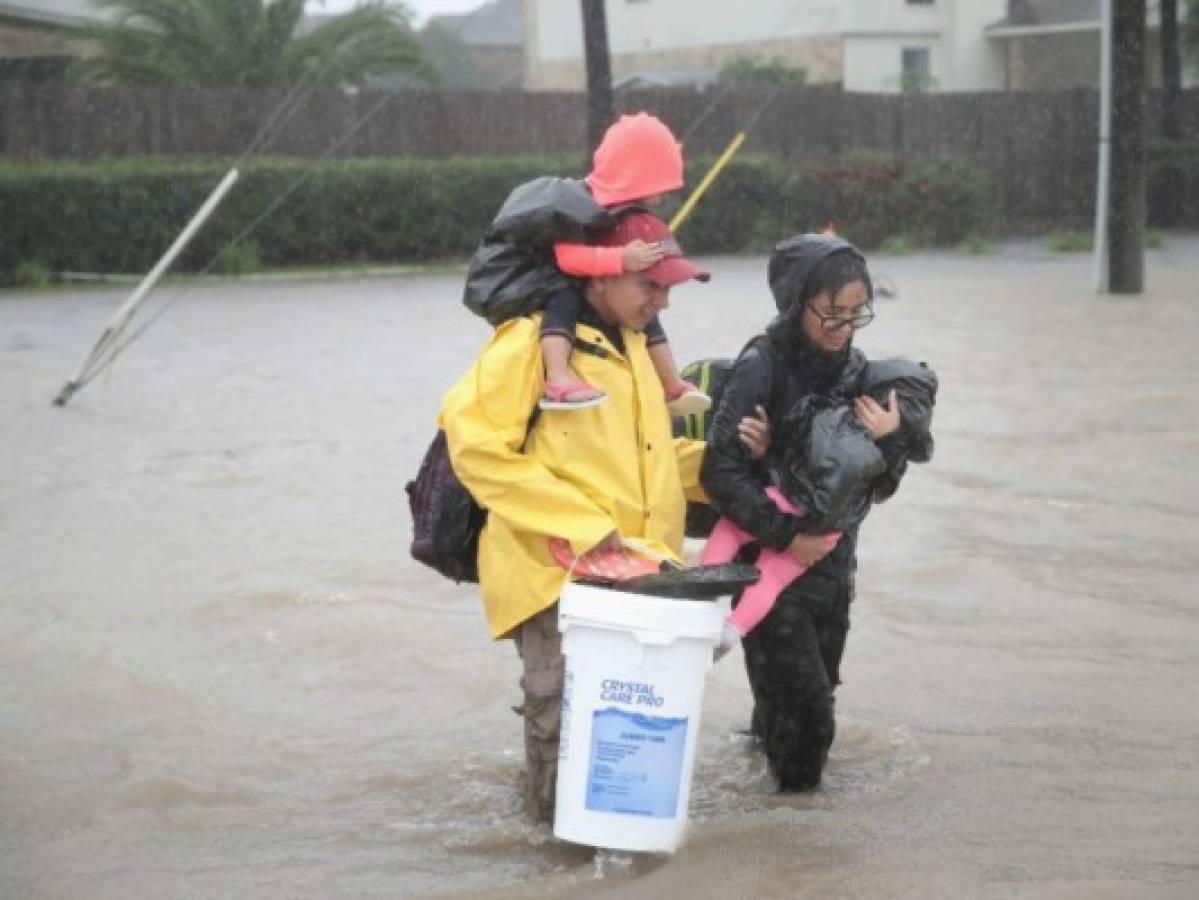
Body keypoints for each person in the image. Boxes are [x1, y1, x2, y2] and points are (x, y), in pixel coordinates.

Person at [440, 211, 715, 824]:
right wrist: (585, 525)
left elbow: (648, 455)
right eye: (651, 284)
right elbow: (477, 450)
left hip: (635, 571)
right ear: (599, 277)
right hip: (552, 575)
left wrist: (731, 471)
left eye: (668, 287)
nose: (662, 299)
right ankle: (552, 859)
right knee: (561, 728)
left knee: (625, 735)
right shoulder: (529, 342)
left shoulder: (638, 346)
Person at [699, 232, 914, 792]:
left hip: (833, 571)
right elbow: (718, 474)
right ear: (796, 305)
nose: (843, 327)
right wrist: (788, 535)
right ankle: (794, 848)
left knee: (799, 704)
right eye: (830, 313)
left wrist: (891, 440)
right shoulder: (761, 367)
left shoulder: (857, 372)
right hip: (770, 568)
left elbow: (878, 485)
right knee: (810, 721)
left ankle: (776, 833)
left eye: (856, 312)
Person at [461, 112, 710, 416]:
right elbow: (568, 259)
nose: (656, 202)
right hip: (539, 282)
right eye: (654, 190)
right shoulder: (575, 208)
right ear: (632, 177)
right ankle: (558, 376)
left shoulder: (629, 330)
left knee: (649, 316)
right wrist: (621, 259)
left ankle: (671, 383)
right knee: (562, 295)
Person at [703, 356, 937, 657]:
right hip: (829, 532)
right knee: (772, 577)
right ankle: (732, 630)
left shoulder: (836, 419)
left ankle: (703, 594)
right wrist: (892, 439)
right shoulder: (896, 446)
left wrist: (769, 451)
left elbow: (802, 452)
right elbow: (881, 489)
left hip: (793, 500)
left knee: (731, 528)